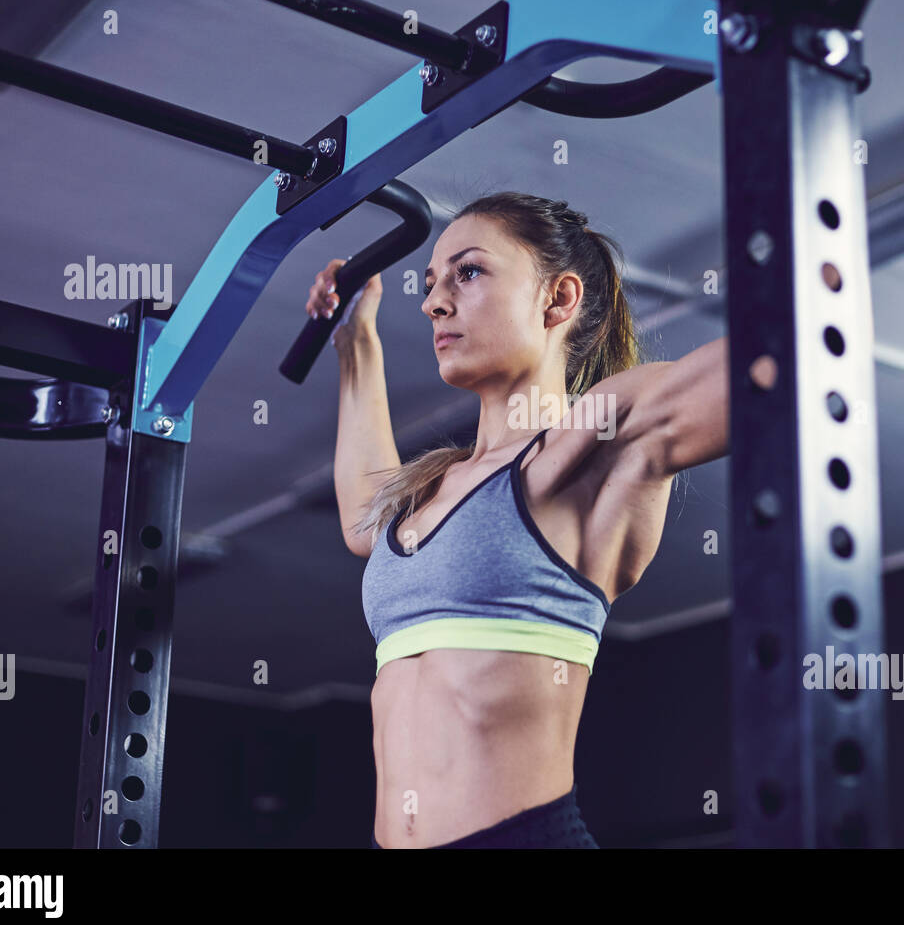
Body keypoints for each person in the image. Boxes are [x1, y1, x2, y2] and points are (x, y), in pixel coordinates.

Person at [308, 191, 728, 848]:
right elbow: (364, 521)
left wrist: (814, 266)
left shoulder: (586, 449)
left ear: (557, 300)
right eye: (429, 284)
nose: (433, 302)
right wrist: (356, 338)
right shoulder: (423, 493)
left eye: (468, 272)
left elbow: (771, 369)